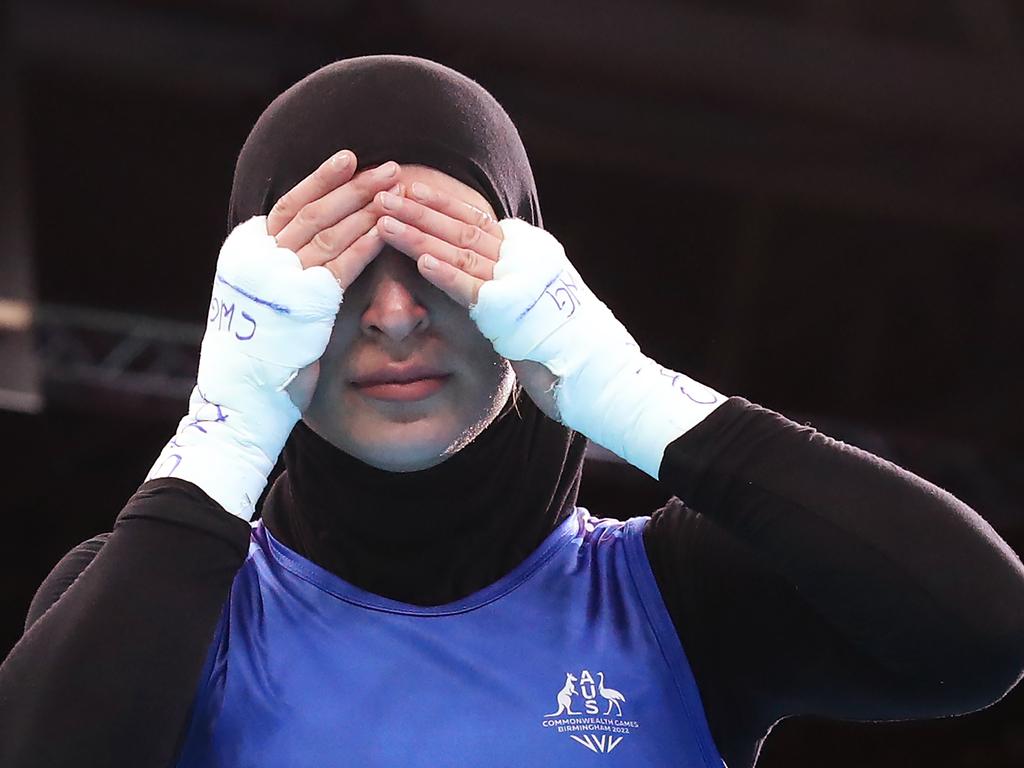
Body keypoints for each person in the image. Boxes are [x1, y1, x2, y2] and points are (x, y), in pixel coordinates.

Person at [2, 55, 1023, 768]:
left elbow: (982, 633)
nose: (396, 317)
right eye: (340, 271)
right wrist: (220, 427)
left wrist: (628, 389)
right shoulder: (145, 605)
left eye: (444, 263)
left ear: (533, 280)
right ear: (256, 310)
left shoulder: (679, 596)